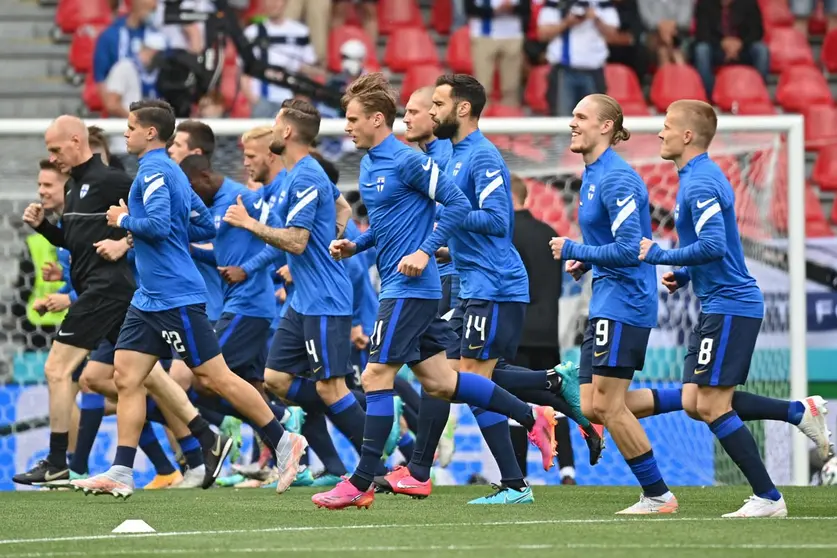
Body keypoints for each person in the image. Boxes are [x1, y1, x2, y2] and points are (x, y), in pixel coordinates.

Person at [312, 72, 557, 510]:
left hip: (414, 287)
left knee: (375, 376)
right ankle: (531, 413)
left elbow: (460, 206)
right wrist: (357, 244)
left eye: (352, 119)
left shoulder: (409, 161)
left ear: (376, 120)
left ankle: (363, 481)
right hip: (401, 283)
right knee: (443, 382)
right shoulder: (370, 164)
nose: (345, 127)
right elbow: (391, 226)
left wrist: (426, 252)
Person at [70, 100, 305, 499]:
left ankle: (283, 439)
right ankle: (122, 470)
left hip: (176, 296)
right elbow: (198, 220)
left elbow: (160, 226)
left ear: (149, 133)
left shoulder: (157, 171)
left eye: (130, 127)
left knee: (215, 377)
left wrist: (122, 220)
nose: (124, 134)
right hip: (150, 297)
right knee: (126, 375)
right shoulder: (171, 172)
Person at [376, 74, 585, 505]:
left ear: (463, 108)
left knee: (464, 380)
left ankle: (528, 429)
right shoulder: (454, 154)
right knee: (452, 381)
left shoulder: (484, 157)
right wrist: (447, 250)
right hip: (474, 282)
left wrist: (446, 223)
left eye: (437, 104)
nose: (431, 112)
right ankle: (543, 397)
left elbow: (496, 221)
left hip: (496, 286)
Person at [639, 99, 833, 517]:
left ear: (688, 135)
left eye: (668, 125)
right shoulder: (692, 178)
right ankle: (797, 411)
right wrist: (686, 274)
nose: (660, 132)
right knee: (695, 400)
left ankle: (769, 497)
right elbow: (713, 247)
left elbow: (714, 245)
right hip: (718, 302)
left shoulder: (702, 181)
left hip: (732, 304)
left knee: (710, 405)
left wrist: (659, 256)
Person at [223, 99, 368, 494]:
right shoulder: (296, 174)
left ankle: (375, 464)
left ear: (287, 132)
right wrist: (334, 235)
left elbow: (299, 242)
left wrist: (250, 224)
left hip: (325, 299)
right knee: (276, 379)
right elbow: (340, 204)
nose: (271, 130)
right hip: (302, 300)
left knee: (329, 389)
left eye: (274, 124)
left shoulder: (305, 176)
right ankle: (343, 413)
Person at [549, 94, 678, 514]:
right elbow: (613, 243)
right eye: (573, 115)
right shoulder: (592, 174)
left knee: (606, 405)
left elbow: (631, 248)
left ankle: (657, 494)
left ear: (606, 126)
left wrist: (576, 248)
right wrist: (584, 260)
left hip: (625, 301)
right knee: (591, 405)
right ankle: (692, 396)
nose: (573, 123)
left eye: (581, 116)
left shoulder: (617, 178)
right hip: (606, 296)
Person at [13, 117, 137, 486]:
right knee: (144, 378)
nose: (52, 158)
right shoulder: (77, 187)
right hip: (101, 290)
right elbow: (78, 243)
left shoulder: (112, 180)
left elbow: (161, 220)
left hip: (106, 289)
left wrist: (124, 242)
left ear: (75, 140)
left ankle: (56, 460)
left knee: (57, 369)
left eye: (55, 150)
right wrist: (45, 229)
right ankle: (203, 442)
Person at [402, 85, 458, 467]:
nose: (406, 119)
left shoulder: (446, 157)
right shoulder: (427, 156)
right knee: (443, 374)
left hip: (454, 279)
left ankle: (542, 394)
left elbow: (470, 214)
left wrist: (430, 248)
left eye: (415, 111)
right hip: (440, 277)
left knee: (448, 376)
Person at [509, 173, 576, 485]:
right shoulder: (549, 233)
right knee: (554, 397)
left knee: (515, 401)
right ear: (527, 198)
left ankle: (518, 474)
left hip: (516, 330)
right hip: (548, 329)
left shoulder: (504, 234)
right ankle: (568, 470)